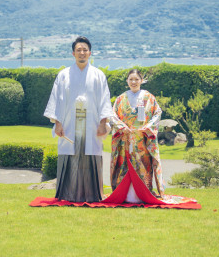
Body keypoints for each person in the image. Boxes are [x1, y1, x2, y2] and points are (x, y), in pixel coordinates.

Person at [43, 36, 114, 202]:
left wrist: (103, 123)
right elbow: (57, 100)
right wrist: (58, 123)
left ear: (90, 53)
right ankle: (67, 195)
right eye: (78, 50)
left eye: (85, 50)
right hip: (69, 124)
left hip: (92, 124)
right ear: (73, 53)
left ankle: (93, 195)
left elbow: (104, 100)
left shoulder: (98, 75)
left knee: (91, 156)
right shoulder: (63, 75)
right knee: (70, 156)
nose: (82, 53)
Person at [109, 69, 164, 202]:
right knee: (125, 165)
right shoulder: (120, 98)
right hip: (125, 138)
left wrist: (148, 127)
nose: (133, 82)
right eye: (131, 79)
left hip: (142, 139)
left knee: (143, 165)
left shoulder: (148, 97)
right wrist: (122, 127)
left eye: (136, 79)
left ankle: (143, 194)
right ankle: (125, 195)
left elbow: (157, 113)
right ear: (127, 81)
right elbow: (112, 115)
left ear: (141, 80)